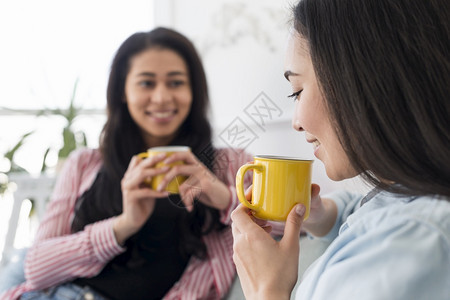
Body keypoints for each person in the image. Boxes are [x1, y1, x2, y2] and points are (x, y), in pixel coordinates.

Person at [1, 27, 253, 300]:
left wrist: (224, 196)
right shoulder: (85, 163)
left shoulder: (231, 164)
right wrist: (124, 224)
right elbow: (37, 267)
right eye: (146, 83)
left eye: (176, 82)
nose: (161, 98)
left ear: (193, 90)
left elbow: (287, 225)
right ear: (123, 91)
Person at [231, 0, 450, 299]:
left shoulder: (411, 242)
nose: (295, 122)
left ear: (362, 81)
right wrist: (320, 215)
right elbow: (369, 210)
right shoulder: (410, 201)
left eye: (297, 91)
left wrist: (267, 289)